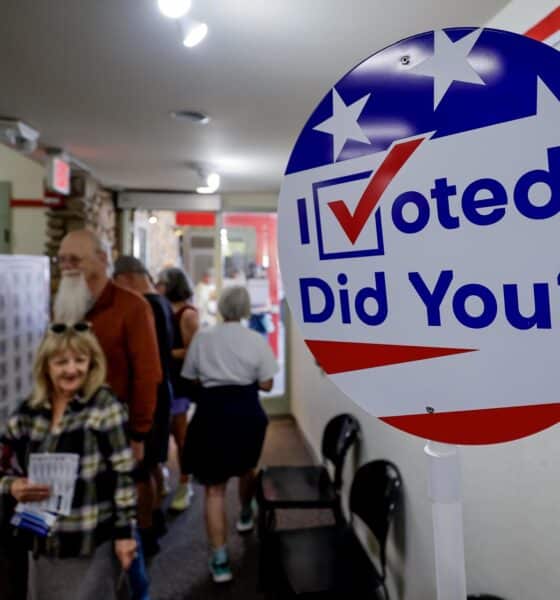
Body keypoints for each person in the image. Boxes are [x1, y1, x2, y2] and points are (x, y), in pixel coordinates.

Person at [54, 229, 162, 598]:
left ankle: (138, 590)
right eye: (62, 259)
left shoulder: (133, 307)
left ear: (102, 259)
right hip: (68, 437)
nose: (67, 267)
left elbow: (148, 376)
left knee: (122, 524)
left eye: (75, 260)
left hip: (114, 438)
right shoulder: (63, 303)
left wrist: (138, 436)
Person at [0, 322, 137, 600]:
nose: (71, 369)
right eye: (61, 361)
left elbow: (123, 476)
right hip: (41, 539)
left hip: (88, 540)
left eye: (80, 360)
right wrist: (10, 485)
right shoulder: (31, 410)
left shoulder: (104, 405)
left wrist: (125, 534)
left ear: (92, 362)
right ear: (46, 365)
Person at [181, 285, 278, 583]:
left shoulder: (203, 337)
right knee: (247, 468)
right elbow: (266, 385)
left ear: (221, 307)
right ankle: (246, 513)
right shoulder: (256, 340)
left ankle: (220, 560)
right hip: (247, 415)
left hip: (211, 416)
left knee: (214, 489)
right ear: (247, 309)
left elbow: (189, 377)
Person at [113, 255, 175, 557]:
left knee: (141, 469)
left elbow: (145, 365)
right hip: (162, 392)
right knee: (152, 464)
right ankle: (156, 519)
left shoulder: (144, 307)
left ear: (127, 278)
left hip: (150, 394)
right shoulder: (160, 303)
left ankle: (148, 530)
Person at [156, 267, 199, 511]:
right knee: (161, 432)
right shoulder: (161, 308)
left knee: (180, 434)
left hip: (178, 382)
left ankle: (185, 482)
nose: (157, 287)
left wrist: (162, 354)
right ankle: (162, 476)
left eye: (161, 283)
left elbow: (193, 351)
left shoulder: (187, 314)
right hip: (163, 378)